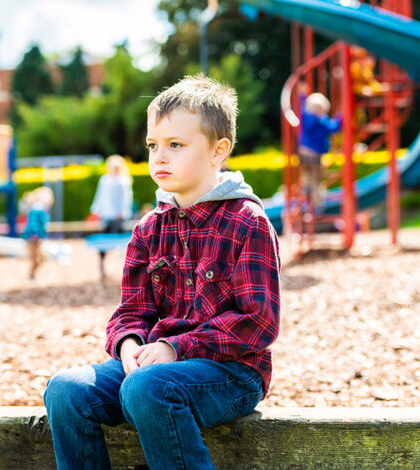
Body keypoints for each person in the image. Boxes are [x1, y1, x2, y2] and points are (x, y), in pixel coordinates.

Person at [44, 75, 281, 469]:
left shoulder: (247, 222)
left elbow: (258, 321)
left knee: (147, 387)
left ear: (217, 151)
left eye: (176, 145)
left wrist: (176, 347)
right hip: (154, 370)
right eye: (153, 145)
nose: (160, 157)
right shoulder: (148, 228)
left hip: (232, 373)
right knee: (66, 390)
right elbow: (131, 312)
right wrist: (128, 346)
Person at [298, 91, 342, 210]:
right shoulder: (322, 120)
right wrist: (341, 116)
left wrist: (301, 96)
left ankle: (305, 193)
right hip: (315, 154)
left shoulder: (304, 116)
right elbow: (335, 127)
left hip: (303, 151)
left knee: (307, 174)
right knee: (316, 179)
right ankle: (317, 204)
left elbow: (300, 105)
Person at [90, 154, 133, 233]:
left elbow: (127, 198)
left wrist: (123, 212)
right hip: (105, 214)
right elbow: (100, 195)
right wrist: (95, 210)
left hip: (118, 215)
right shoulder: (104, 179)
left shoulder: (124, 181)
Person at [21, 186, 53, 279]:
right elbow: (34, 223)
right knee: (36, 258)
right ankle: (31, 275)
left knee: (40, 258)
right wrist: (35, 233)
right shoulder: (38, 209)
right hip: (33, 237)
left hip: (35, 237)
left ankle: (32, 274)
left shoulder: (39, 209)